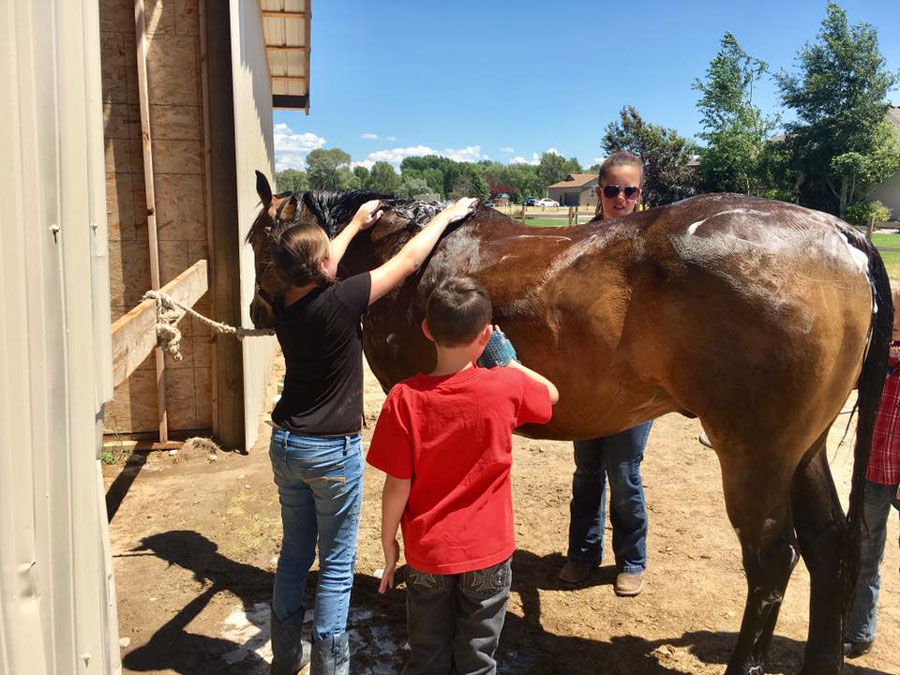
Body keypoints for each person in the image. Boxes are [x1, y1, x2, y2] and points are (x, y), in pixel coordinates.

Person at [267, 196, 477, 675]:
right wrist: (445, 216)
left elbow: (318, 263)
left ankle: (285, 658)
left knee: (294, 554)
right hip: (331, 452)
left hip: (287, 445)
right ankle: (330, 666)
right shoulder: (342, 300)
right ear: (322, 265)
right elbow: (408, 261)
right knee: (337, 566)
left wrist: (356, 225)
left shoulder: (283, 300)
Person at [367, 276, 559, 674]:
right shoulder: (506, 386)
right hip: (488, 552)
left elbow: (397, 485)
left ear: (426, 330)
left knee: (427, 657)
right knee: (477, 660)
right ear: (486, 335)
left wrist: (389, 543)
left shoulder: (404, 399)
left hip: (428, 553)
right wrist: (507, 359)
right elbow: (551, 395)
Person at [558, 151, 653, 597]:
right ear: (598, 192)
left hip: (633, 383)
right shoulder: (579, 243)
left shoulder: (651, 246)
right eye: (612, 190)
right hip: (587, 380)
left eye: (628, 191)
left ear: (639, 194)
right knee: (587, 472)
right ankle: (582, 553)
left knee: (625, 474)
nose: (620, 198)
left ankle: (631, 560)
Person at [844, 288, 900, 658]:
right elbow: (846, 382)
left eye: (897, 312)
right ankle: (860, 630)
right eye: (889, 310)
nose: (891, 318)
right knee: (865, 551)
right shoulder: (879, 357)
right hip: (874, 470)